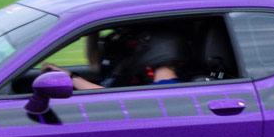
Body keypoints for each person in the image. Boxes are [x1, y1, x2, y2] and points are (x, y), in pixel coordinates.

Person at [43, 29, 187, 90]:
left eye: (136, 43)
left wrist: (69, 77)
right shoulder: (127, 68)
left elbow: (105, 95)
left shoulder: (166, 87)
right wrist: (93, 32)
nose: (131, 46)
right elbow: (94, 64)